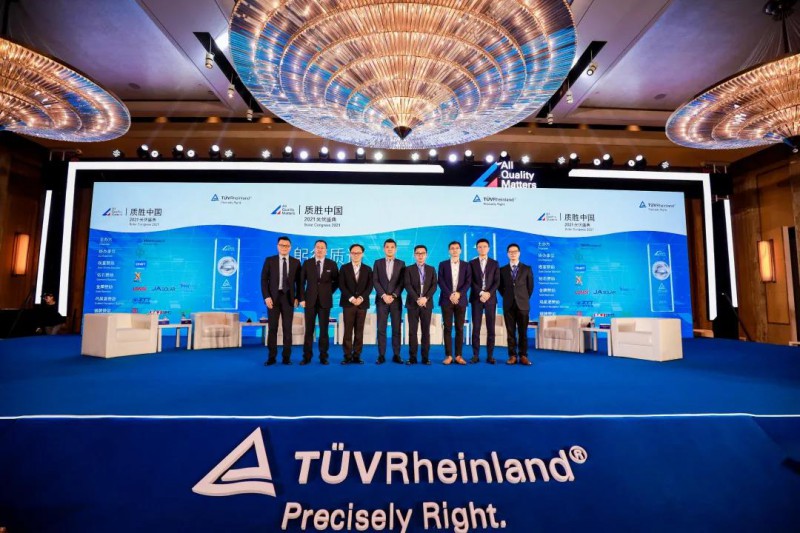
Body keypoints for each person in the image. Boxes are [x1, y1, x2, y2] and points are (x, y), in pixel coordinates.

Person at [260, 236, 301, 365]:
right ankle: (271, 357)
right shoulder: (270, 260)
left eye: (287, 246)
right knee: (272, 328)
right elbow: (264, 280)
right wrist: (266, 297)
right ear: (277, 246)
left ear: (290, 247)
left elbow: (299, 282)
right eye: (282, 245)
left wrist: (298, 297)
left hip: (289, 299)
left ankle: (286, 357)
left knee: (287, 329)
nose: (284, 247)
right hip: (273, 299)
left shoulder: (296, 262)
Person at [299, 239, 339, 365]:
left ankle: (323, 357)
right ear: (314, 249)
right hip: (309, 302)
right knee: (309, 330)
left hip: (325, 302)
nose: (320, 249)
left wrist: (327, 292)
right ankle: (307, 357)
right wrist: (302, 298)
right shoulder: (307, 263)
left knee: (324, 331)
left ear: (326, 250)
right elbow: (301, 282)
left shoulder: (332, 264)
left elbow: (337, 282)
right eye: (317, 247)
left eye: (322, 247)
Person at [499, 243, 534, 365]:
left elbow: (530, 287)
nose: (513, 254)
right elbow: (500, 287)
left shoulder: (527, 268)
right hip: (508, 305)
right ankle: (512, 356)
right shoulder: (502, 270)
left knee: (523, 332)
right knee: (510, 332)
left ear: (519, 253)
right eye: (510, 252)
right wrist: (508, 297)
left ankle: (523, 355)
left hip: (523, 305)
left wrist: (522, 298)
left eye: (515, 252)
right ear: (507, 254)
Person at [438, 241, 471, 365]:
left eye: (457, 248)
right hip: (446, 299)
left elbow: (468, 282)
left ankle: (458, 355)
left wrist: (458, 294)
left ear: (460, 250)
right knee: (447, 328)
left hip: (461, 300)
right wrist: (450, 294)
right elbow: (440, 281)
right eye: (452, 248)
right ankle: (448, 355)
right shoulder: (443, 264)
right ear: (449, 251)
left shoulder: (466, 265)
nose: (455, 250)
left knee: (459, 328)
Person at [373, 238, 405, 364]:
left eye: (392, 247)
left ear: (396, 249)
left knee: (396, 329)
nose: (390, 249)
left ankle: (396, 355)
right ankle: (381, 355)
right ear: (384, 249)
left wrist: (394, 295)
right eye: (387, 247)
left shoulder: (401, 263)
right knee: (381, 329)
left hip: (396, 301)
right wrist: (383, 295)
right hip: (382, 301)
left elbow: (402, 282)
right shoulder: (377, 263)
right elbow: (375, 280)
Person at [339, 244, 373, 364]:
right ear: (350, 254)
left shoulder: (368, 269)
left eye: (358, 253)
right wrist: (352, 298)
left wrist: (361, 298)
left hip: (362, 305)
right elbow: (341, 285)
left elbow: (370, 286)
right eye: (353, 253)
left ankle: (357, 355)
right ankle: (347, 356)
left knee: (359, 331)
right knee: (348, 331)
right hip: (348, 304)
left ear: (362, 254)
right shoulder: (344, 268)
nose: (356, 255)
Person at [469, 238, 500, 364]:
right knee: (476, 328)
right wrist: (481, 293)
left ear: (489, 248)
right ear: (477, 248)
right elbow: (470, 281)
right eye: (480, 247)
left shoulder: (494, 263)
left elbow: (497, 281)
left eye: (485, 246)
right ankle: (475, 355)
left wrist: (488, 293)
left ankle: (490, 356)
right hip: (477, 298)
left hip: (490, 299)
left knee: (491, 328)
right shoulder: (471, 263)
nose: (482, 249)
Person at [404, 244, 437, 365]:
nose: (420, 255)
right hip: (413, 303)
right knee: (412, 331)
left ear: (426, 255)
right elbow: (407, 285)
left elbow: (434, 285)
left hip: (427, 304)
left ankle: (425, 357)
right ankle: (412, 357)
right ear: (414, 255)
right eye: (418, 253)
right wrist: (417, 299)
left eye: (422, 253)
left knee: (425, 331)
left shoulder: (431, 269)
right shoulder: (408, 269)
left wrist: (425, 298)